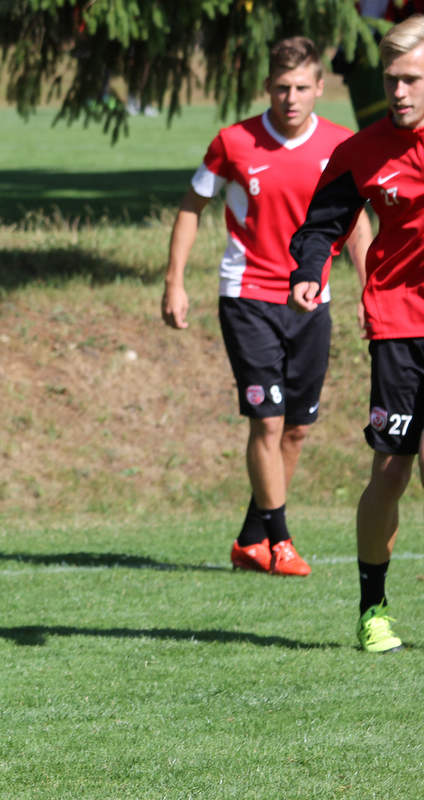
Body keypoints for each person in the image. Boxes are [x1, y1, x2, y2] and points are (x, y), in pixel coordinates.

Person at [161, 36, 371, 577]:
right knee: (268, 421)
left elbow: (354, 227)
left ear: (320, 87)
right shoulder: (233, 143)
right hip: (248, 296)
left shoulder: (341, 146)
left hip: (311, 300)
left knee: (297, 429)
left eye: (302, 87)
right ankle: (280, 541)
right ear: (267, 88)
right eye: (282, 88)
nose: (291, 98)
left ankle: (252, 539)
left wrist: (371, 289)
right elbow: (192, 208)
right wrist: (174, 282)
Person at [290, 14, 424, 653]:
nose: (398, 92)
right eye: (391, 80)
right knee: (392, 470)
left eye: (411, 80)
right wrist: (309, 270)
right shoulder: (361, 151)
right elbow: (322, 225)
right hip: (398, 324)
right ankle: (374, 608)